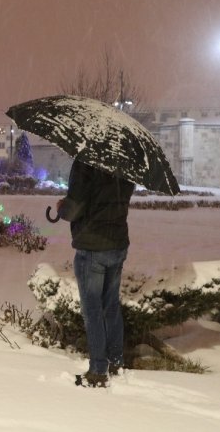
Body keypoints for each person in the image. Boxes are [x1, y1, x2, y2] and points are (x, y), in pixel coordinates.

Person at [57, 159, 135, 387]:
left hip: (93, 246)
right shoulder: (127, 164)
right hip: (117, 243)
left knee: (92, 309)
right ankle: (116, 362)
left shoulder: (87, 161)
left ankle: (99, 370)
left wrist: (63, 207)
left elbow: (75, 207)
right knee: (111, 305)